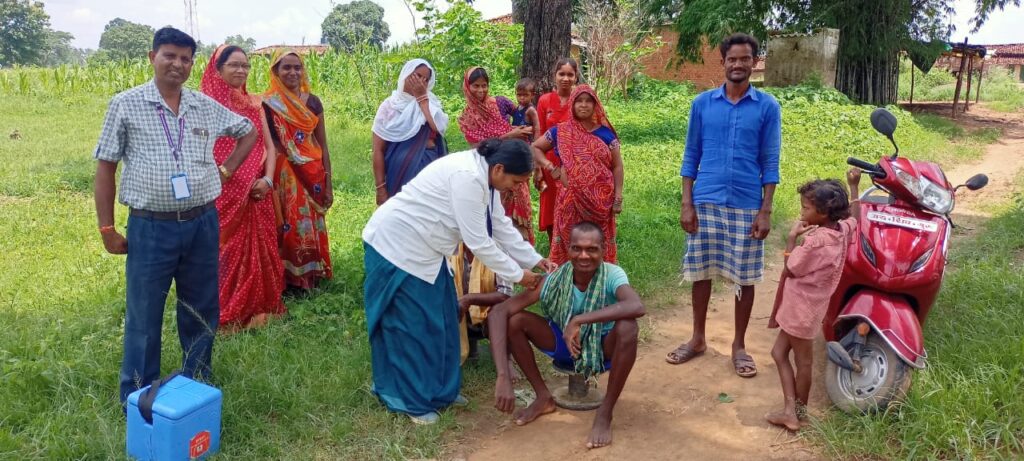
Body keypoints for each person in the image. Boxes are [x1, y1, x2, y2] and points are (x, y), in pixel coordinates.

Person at [93, 27, 257, 404]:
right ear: (152, 57)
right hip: (151, 227)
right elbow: (105, 167)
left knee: (201, 310)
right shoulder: (126, 104)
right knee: (144, 316)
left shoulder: (202, 104)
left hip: (202, 222)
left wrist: (227, 169)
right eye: (169, 55)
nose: (177, 64)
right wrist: (106, 227)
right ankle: (137, 398)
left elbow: (247, 130)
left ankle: (196, 386)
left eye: (185, 58)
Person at [362, 138, 557, 425]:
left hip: (429, 251)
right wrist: (521, 277)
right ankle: (412, 402)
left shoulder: (487, 176)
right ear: (500, 169)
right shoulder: (467, 177)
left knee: (442, 319)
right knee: (412, 325)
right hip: (397, 247)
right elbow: (478, 242)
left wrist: (535, 260)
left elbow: (501, 226)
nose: (516, 188)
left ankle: (441, 391)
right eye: (516, 181)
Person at [666, 33, 781, 379]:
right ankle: (698, 338)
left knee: (744, 278)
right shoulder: (702, 104)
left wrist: (766, 210)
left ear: (754, 62)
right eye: (732, 59)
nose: (738, 64)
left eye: (745, 59)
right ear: (723, 62)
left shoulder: (767, 107)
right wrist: (687, 202)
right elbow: (691, 155)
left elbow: (770, 161)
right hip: (706, 200)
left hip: (747, 203)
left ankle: (739, 345)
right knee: (701, 273)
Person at [487, 221, 645, 449]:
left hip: (604, 346)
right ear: (568, 249)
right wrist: (502, 374)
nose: (584, 255)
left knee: (628, 327)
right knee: (515, 321)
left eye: (592, 249)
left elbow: (636, 305)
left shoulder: (612, 275)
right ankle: (543, 397)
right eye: (577, 248)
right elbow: (499, 312)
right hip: (564, 344)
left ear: (603, 250)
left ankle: (605, 412)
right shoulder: (555, 278)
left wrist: (579, 320)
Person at [200, 45, 286, 331]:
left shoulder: (255, 104)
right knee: (223, 252)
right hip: (221, 191)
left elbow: (270, 147)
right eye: (234, 65)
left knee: (260, 250)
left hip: (257, 190)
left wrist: (269, 180)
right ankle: (225, 312)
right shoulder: (203, 105)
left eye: (245, 66)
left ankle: (259, 308)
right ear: (218, 69)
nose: (241, 71)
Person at [766, 173, 858, 431]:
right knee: (778, 352)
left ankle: (794, 413)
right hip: (812, 308)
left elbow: (791, 267)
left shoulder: (815, 242)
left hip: (799, 308)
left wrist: (792, 238)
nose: (802, 212)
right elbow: (855, 219)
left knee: (803, 361)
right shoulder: (840, 231)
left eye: (806, 208)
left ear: (823, 213)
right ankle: (794, 411)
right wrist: (854, 186)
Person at [530, 84, 623, 265]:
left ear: (595, 105)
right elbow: (535, 148)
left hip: (601, 203)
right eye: (579, 101)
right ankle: (567, 284)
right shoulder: (561, 131)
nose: (583, 105)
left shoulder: (606, 135)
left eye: (588, 101)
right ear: (572, 104)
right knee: (570, 241)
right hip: (570, 200)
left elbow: (617, 167)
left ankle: (600, 285)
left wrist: (618, 198)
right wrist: (552, 169)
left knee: (598, 242)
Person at [263, 49, 333, 291]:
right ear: (276, 72)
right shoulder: (268, 103)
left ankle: (311, 275)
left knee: (310, 222)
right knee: (289, 222)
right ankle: (290, 279)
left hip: (312, 172)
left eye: (297, 67)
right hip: (285, 173)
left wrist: (328, 181)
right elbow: (269, 143)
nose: (293, 72)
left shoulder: (313, 102)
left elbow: (322, 144)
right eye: (286, 67)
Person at [458, 66, 535, 244]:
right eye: (476, 86)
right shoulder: (468, 116)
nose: (481, 90)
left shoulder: (499, 103)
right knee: (494, 216)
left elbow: (522, 116)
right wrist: (510, 135)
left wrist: (528, 128)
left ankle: (521, 261)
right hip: (490, 172)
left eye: (484, 85)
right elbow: (478, 146)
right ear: (467, 87)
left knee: (518, 217)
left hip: (513, 165)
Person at [372, 59, 449, 204]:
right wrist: (380, 188)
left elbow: (438, 128)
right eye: (418, 76)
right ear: (406, 75)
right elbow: (378, 150)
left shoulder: (431, 103)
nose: (421, 82)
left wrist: (422, 99)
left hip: (429, 174)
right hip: (399, 174)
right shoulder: (390, 106)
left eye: (426, 80)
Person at [535, 58, 580, 242]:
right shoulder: (545, 101)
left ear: (576, 77)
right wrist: (538, 168)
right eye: (562, 74)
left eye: (570, 74)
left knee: (572, 203)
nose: (565, 78)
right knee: (550, 205)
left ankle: (573, 243)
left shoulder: (580, 100)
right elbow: (539, 135)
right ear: (554, 76)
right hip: (549, 163)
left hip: (574, 162)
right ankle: (554, 245)